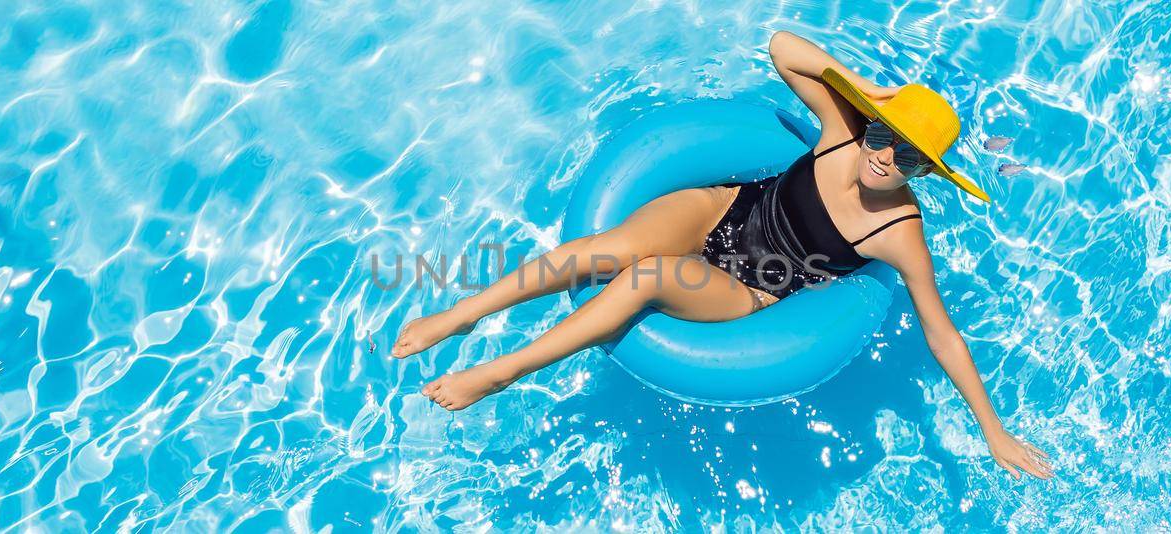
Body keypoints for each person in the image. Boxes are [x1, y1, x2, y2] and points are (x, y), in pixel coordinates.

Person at [390, 31, 1053, 480]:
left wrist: (991, 431)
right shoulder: (844, 135)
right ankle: (461, 315)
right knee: (602, 249)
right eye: (885, 136)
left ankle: (504, 371)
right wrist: (862, 92)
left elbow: (943, 335)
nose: (884, 157)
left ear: (927, 171)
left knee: (645, 278)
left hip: (756, 285)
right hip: (724, 210)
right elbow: (783, 48)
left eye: (907, 155)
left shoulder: (899, 229)